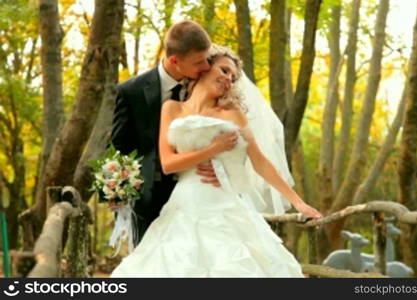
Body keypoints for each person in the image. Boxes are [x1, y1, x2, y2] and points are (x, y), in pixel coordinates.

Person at [110, 47, 322, 277]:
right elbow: (169, 163)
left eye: (233, 77)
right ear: (204, 67)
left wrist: (299, 203)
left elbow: (260, 162)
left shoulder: (232, 112)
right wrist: (215, 148)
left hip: (225, 203)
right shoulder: (171, 108)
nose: (229, 79)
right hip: (184, 204)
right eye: (224, 70)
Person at [111, 21, 235, 245]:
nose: (206, 66)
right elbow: (120, 146)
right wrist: (118, 191)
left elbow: (229, 132)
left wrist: (224, 169)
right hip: (148, 195)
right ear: (175, 61)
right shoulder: (131, 92)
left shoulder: (207, 82)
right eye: (199, 62)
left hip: (197, 193)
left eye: (207, 59)